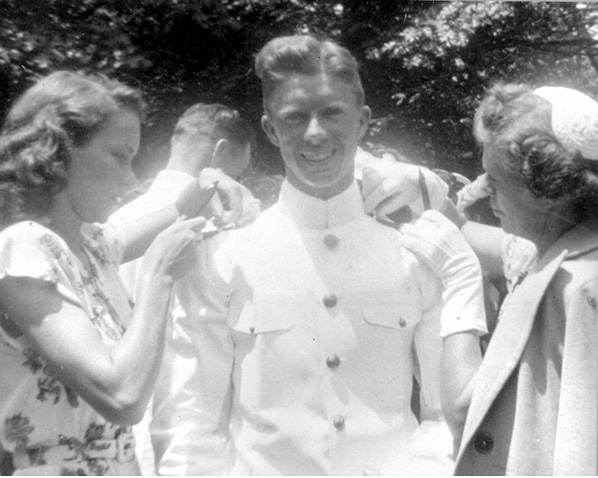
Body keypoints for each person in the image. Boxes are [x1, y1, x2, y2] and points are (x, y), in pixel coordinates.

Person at [152, 34, 487, 475]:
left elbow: (442, 416)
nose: (315, 134)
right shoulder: (224, 252)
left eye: (332, 113)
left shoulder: (418, 249)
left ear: (363, 121)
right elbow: (190, 419)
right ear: (270, 129)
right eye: (294, 118)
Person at [0, 71, 244, 475]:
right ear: (58, 152)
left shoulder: (90, 247)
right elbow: (121, 396)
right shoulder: (23, 245)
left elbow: (181, 210)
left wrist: (209, 182)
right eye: (120, 155)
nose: (131, 178)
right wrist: (159, 276)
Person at [363, 84, 598, 475]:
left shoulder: (577, 288)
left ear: (546, 191)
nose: (483, 189)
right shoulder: (566, 248)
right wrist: (424, 187)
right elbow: (477, 236)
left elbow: (464, 411)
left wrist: (459, 278)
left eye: (495, 179)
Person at [110, 101, 258, 475]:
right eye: (241, 172)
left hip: (124, 444)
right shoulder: (233, 228)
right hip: (199, 448)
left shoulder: (116, 224)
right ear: (221, 152)